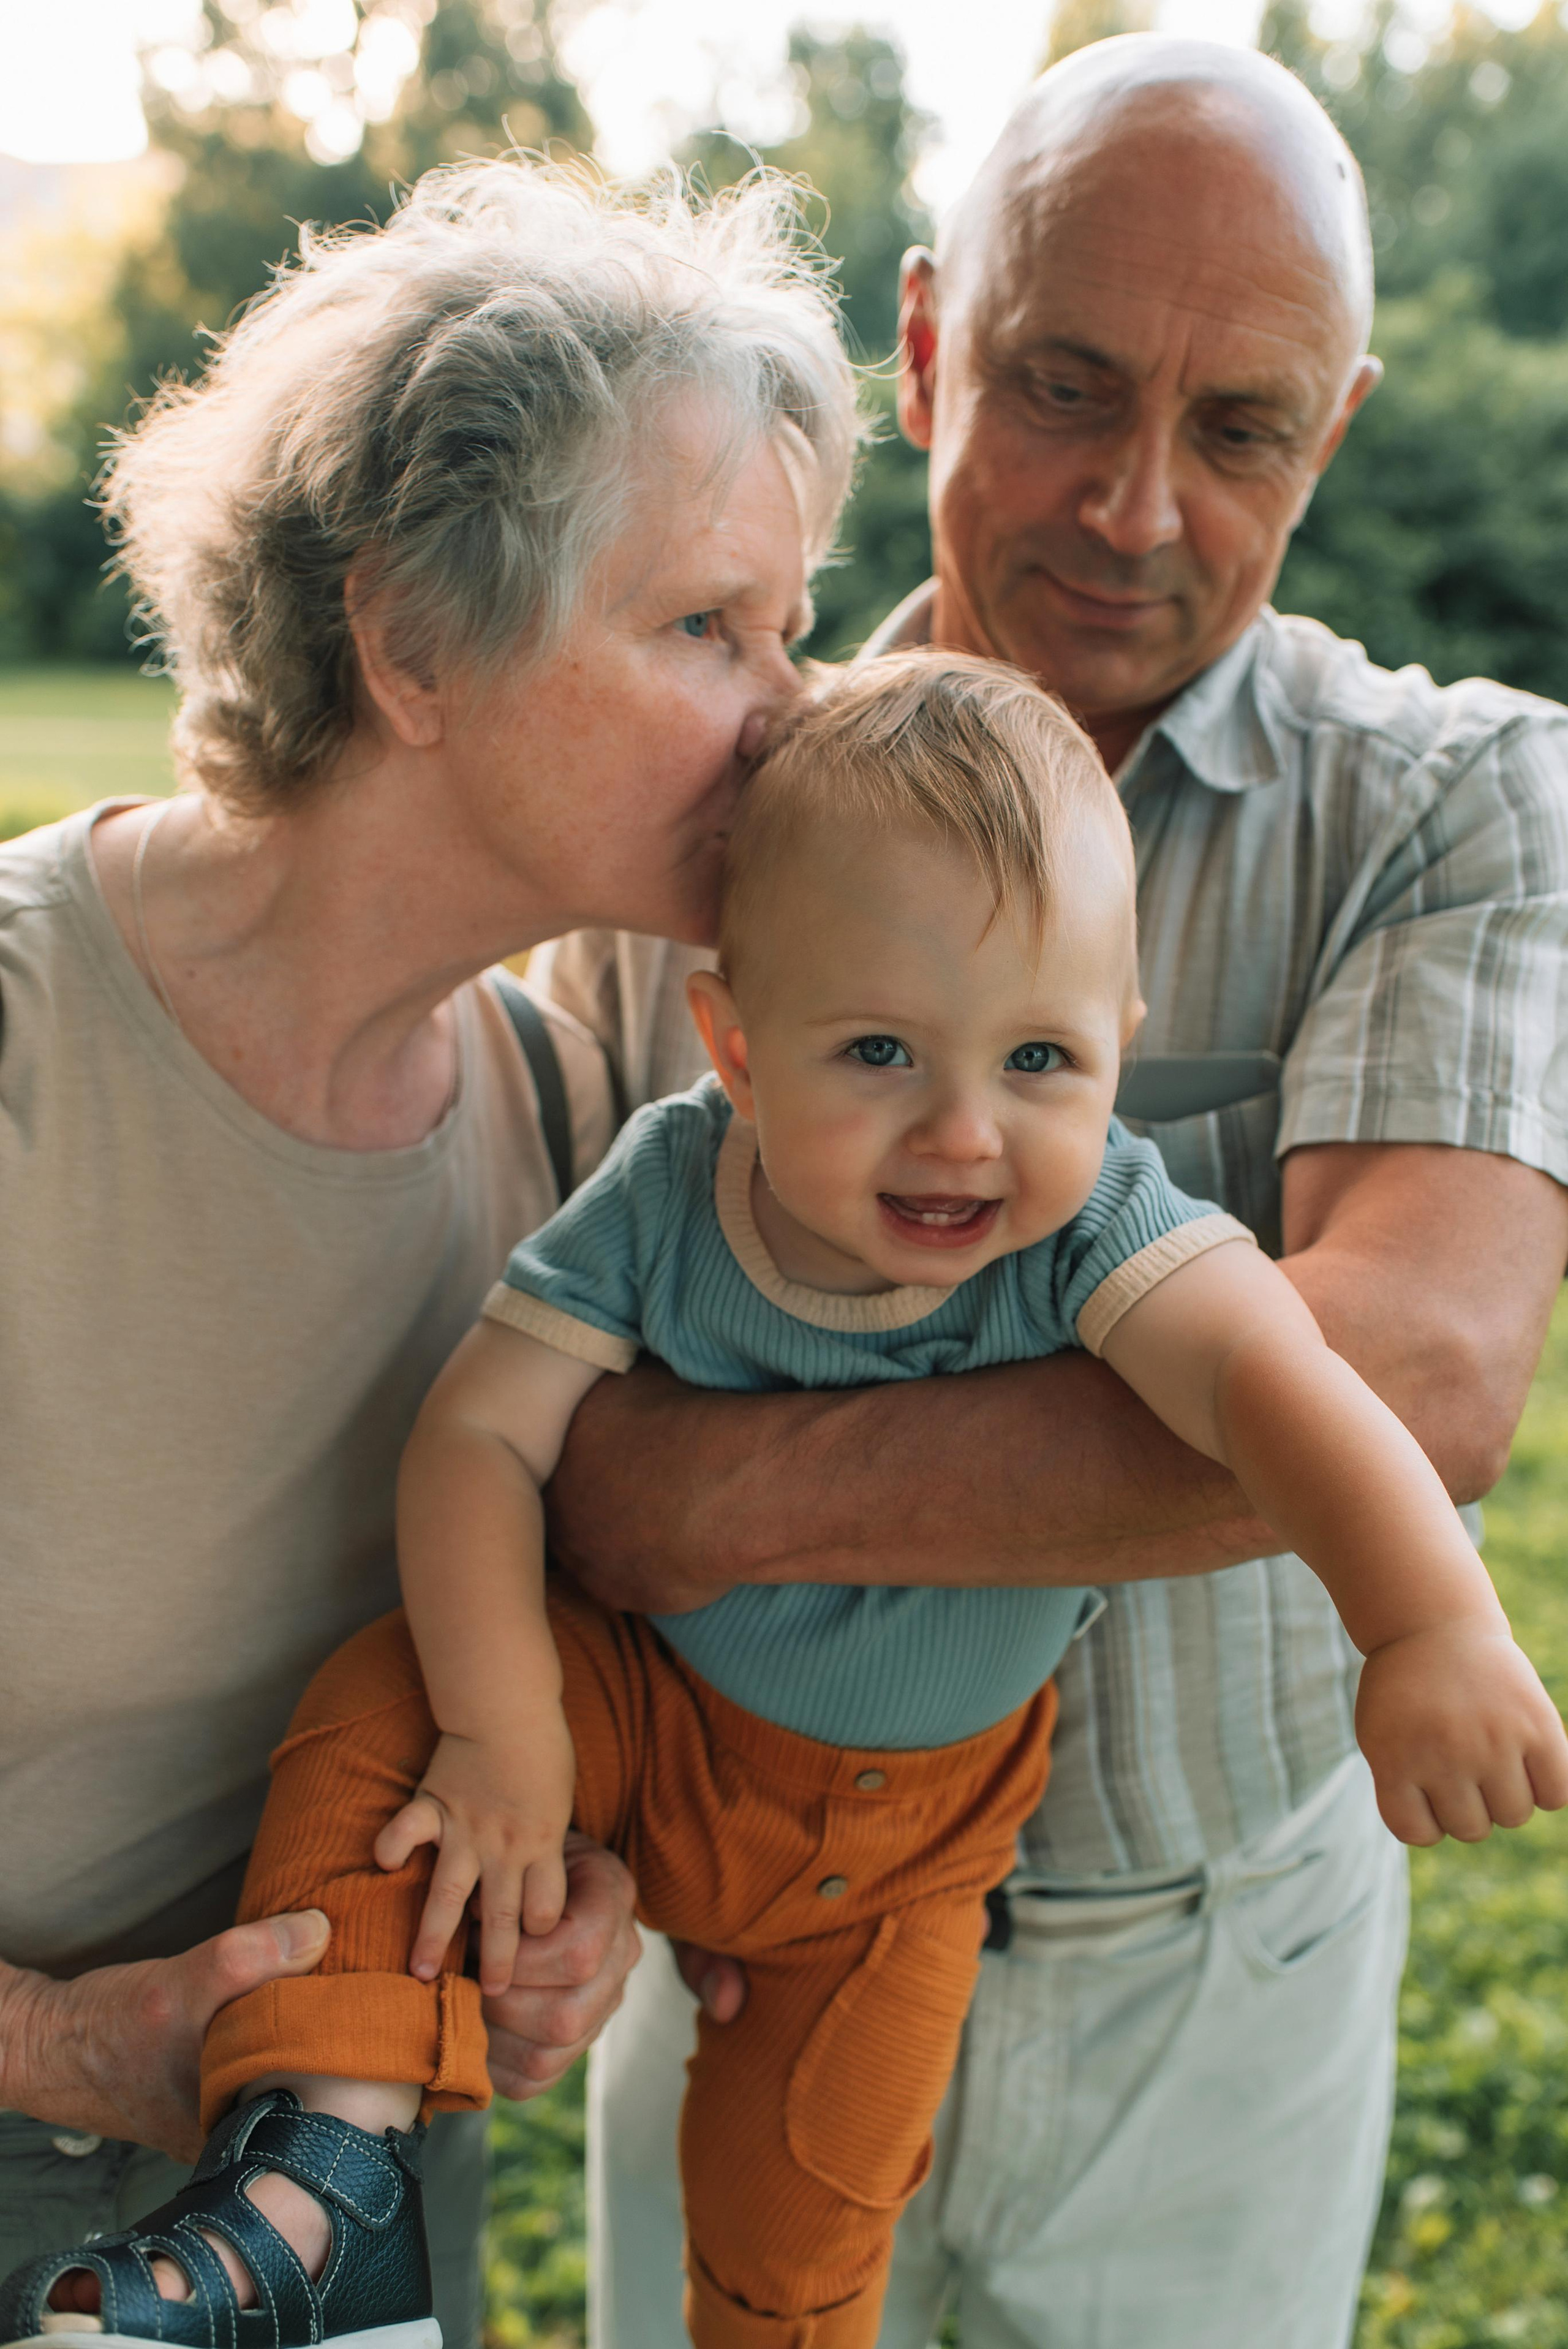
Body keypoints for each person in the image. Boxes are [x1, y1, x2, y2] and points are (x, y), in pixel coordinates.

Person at [12, 651, 1564, 2349]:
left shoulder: (1104, 1218)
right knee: (396, 1717)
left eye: (1041, 1054)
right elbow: (479, 1439)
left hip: (900, 1857)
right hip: (649, 1717)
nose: (963, 1132)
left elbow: (1279, 1387)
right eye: (881, 1050)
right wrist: (510, 1726)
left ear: (1120, 1044)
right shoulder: (676, 1183)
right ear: (737, 1046)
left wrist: (1422, 1620)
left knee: (804, 2214)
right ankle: (318, 2194)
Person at [535, 38, 1568, 2349]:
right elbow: (511, 1362)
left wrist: (711, 1496)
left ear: (1340, 430)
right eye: (1064, 385)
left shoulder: (1452, 799)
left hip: (1204, 1977)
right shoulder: (690, 806)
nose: (1133, 507)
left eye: (1241, 431)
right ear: (925, 347)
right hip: (734, 1924)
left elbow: (1417, 1365)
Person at [0, 154, 862, 2349]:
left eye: (792, 624)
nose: (794, 707)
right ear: (408, 642)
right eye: (703, 626)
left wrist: (565, 1901)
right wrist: (61, 2041)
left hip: (358, 2156)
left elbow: (537, 1681)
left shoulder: (571, 1113)